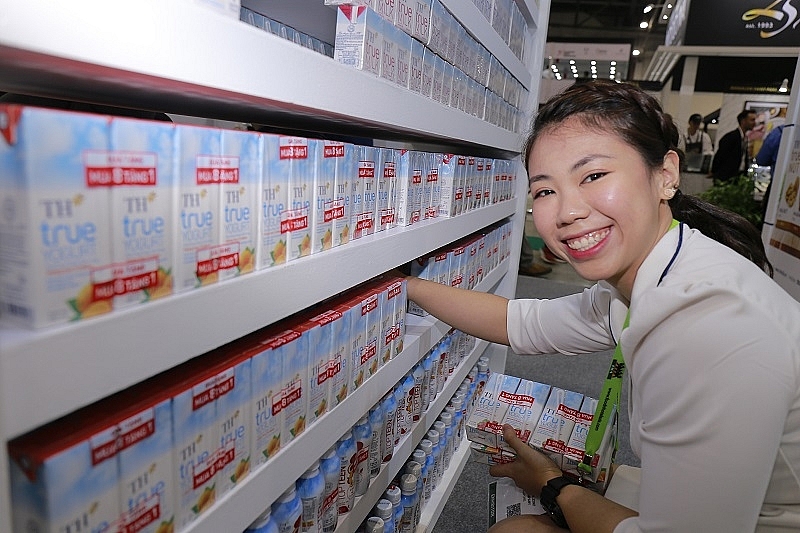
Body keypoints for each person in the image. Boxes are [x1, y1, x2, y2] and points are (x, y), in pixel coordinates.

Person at [404, 81, 800, 532]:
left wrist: (552, 485)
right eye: (544, 191)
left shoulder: (708, 327)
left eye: (593, 176)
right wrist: (404, 286)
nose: (567, 211)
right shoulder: (652, 275)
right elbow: (520, 323)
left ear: (666, 174)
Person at [710, 109, 757, 183]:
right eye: (752, 120)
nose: (754, 123)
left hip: (738, 177)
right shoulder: (731, 137)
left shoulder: (745, 138)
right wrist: (714, 173)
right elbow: (720, 156)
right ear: (743, 121)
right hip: (726, 178)